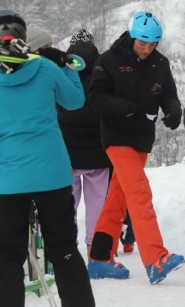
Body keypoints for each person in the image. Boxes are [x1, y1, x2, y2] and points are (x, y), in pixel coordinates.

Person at [0, 10, 95, 306]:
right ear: (24, 38)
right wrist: (66, 65)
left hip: (7, 179)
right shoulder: (44, 66)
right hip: (51, 175)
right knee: (64, 249)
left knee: (6, 256)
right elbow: (75, 101)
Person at [87, 11, 185, 285]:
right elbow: (95, 98)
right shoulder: (108, 61)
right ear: (132, 36)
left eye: (153, 44)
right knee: (140, 194)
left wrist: (174, 111)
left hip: (142, 140)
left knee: (117, 199)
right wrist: (126, 109)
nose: (147, 49)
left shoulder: (160, 63)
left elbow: (168, 94)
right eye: (143, 43)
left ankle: (99, 259)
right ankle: (156, 259)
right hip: (117, 137)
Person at [57, 29, 111, 249]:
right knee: (97, 199)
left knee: (68, 201)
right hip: (97, 150)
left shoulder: (62, 70)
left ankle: (65, 246)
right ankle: (94, 246)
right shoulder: (103, 71)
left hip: (66, 151)